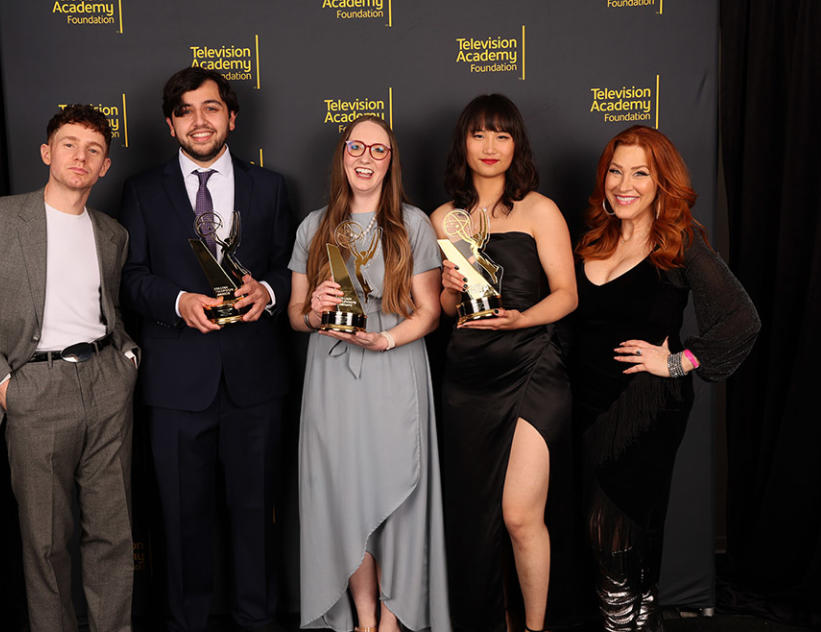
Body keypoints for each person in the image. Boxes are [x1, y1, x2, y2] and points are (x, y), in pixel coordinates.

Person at [0, 105, 139, 632]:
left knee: (113, 536)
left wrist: (127, 359)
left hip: (104, 380)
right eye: (69, 144)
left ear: (105, 167)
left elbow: (108, 309)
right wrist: (2, 383)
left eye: (93, 149)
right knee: (46, 542)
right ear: (47, 153)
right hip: (34, 389)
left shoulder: (112, 234)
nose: (80, 156)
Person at [119, 67, 291, 632]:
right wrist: (177, 301)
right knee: (182, 524)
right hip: (176, 385)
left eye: (211, 108)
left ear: (231, 118)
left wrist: (264, 291)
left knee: (254, 523)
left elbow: (292, 274)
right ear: (171, 125)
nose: (201, 120)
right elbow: (130, 277)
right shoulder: (142, 191)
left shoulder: (269, 188)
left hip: (254, 383)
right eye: (187, 111)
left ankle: (258, 621)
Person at [571, 125, 760, 631]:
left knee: (610, 524)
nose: (623, 183)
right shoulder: (591, 238)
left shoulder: (679, 243)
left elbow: (743, 319)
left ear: (661, 183)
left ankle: (622, 625)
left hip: (647, 405)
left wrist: (677, 361)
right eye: (615, 170)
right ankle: (642, 619)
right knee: (629, 527)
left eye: (640, 173)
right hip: (587, 403)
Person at [288, 115, 451, 632]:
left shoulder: (414, 223)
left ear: (390, 162)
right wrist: (315, 310)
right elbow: (296, 316)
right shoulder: (313, 226)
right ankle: (362, 620)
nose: (365, 157)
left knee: (397, 491)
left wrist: (385, 338)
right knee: (344, 498)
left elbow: (430, 310)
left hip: (394, 368)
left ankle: (391, 619)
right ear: (342, 156)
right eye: (356, 146)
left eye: (378, 150)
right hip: (332, 378)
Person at [432, 94, 577, 632]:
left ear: (517, 144)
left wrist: (520, 320)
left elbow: (567, 295)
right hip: (467, 381)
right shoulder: (443, 218)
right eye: (479, 135)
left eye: (502, 135)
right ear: (463, 144)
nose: (490, 147)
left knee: (520, 516)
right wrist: (448, 290)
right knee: (479, 521)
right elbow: (449, 313)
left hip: (532, 369)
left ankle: (535, 628)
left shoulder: (540, 209)